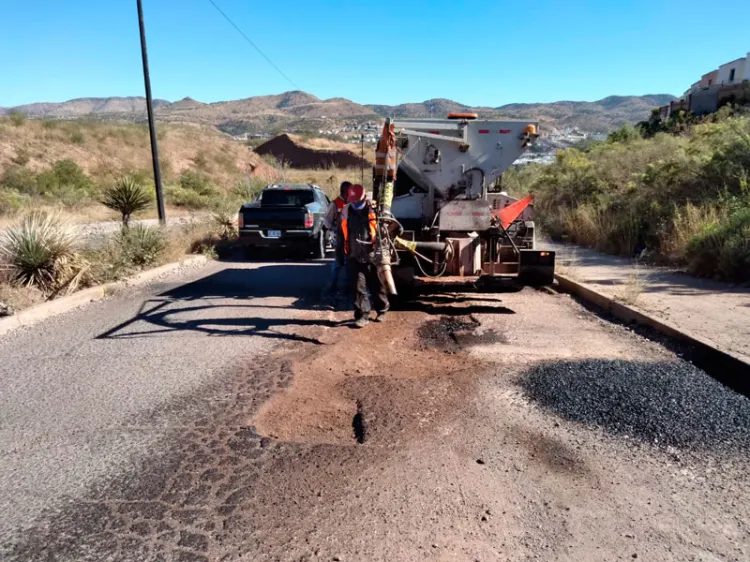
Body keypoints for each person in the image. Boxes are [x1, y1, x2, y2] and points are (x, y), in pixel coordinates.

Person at [340, 184, 389, 328]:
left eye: (358, 201)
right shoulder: (346, 211)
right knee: (358, 287)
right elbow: (341, 233)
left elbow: (385, 232)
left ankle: (382, 310)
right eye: (353, 201)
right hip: (354, 255)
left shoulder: (374, 210)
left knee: (377, 284)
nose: (355, 204)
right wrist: (339, 254)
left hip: (371, 254)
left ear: (364, 198)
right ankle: (362, 315)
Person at [321, 181, 351, 307]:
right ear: (344, 192)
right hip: (339, 238)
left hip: (351, 238)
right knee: (338, 263)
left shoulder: (351, 203)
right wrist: (334, 231)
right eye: (349, 192)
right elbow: (326, 221)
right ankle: (329, 289)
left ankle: (347, 289)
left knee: (350, 263)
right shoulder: (335, 204)